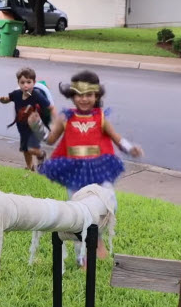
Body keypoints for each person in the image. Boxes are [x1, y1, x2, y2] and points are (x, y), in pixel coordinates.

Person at [28, 70, 143, 265]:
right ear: (72, 96)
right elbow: (50, 139)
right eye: (79, 95)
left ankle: (96, 238)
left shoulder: (100, 118)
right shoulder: (66, 118)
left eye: (89, 95)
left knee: (109, 203)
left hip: (99, 169)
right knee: (80, 212)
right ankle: (83, 257)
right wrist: (37, 126)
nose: (84, 99)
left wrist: (130, 148)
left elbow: (117, 138)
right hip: (75, 173)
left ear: (96, 95)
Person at [0, 67, 54, 170]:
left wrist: (54, 119)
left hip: (34, 127)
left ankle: (41, 154)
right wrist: (2, 100)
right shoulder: (16, 94)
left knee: (31, 148)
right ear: (18, 83)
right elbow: (8, 99)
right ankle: (30, 167)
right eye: (22, 82)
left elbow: (50, 106)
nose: (25, 85)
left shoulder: (36, 95)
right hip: (22, 127)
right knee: (25, 149)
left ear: (34, 82)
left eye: (29, 82)